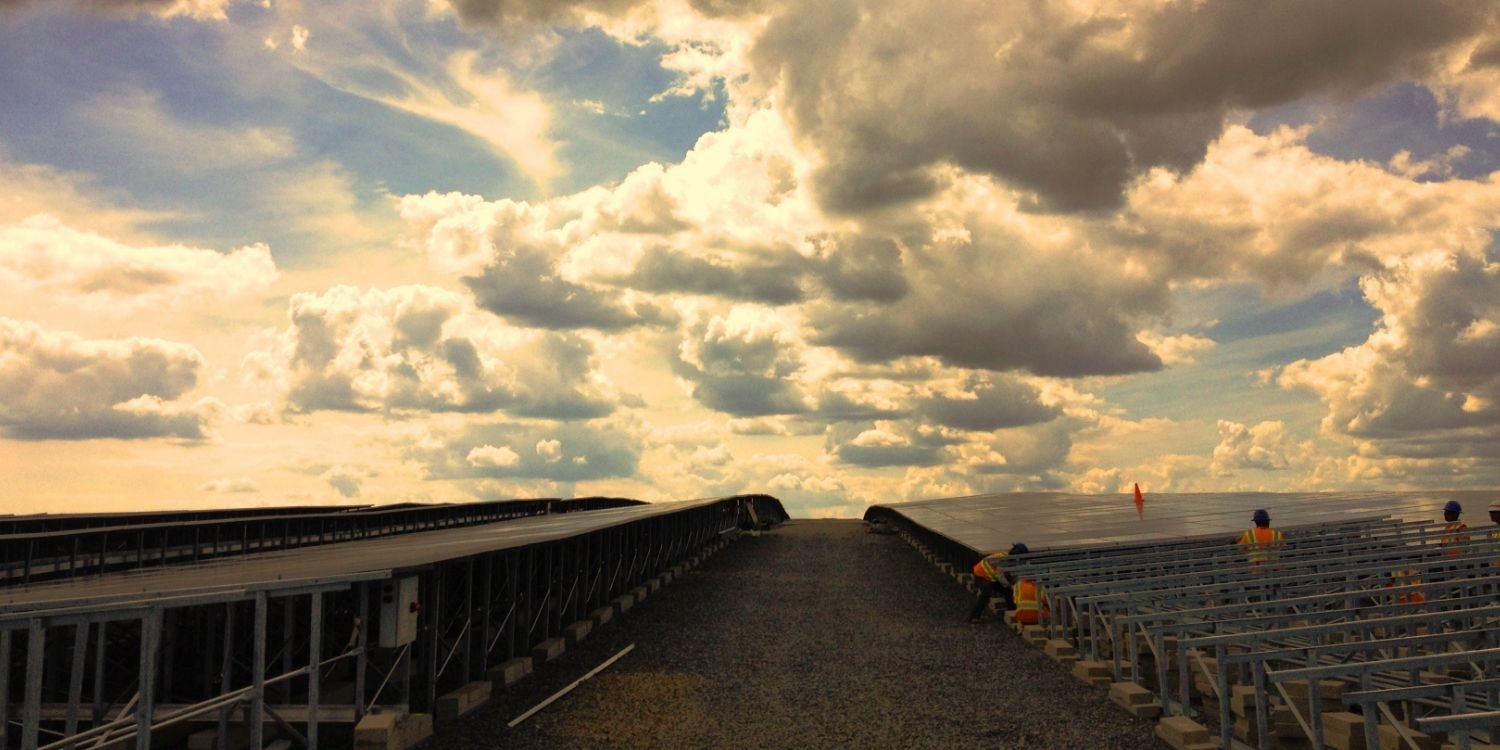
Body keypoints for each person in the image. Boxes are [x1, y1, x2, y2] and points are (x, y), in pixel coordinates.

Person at [969, 543, 1044, 624]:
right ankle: (974, 617)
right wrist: (1011, 586)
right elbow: (1000, 577)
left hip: (992, 578)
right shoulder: (1003, 559)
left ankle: (1011, 613)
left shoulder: (1010, 560)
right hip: (981, 575)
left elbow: (1011, 576)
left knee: (1008, 592)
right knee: (986, 593)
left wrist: (1016, 586)